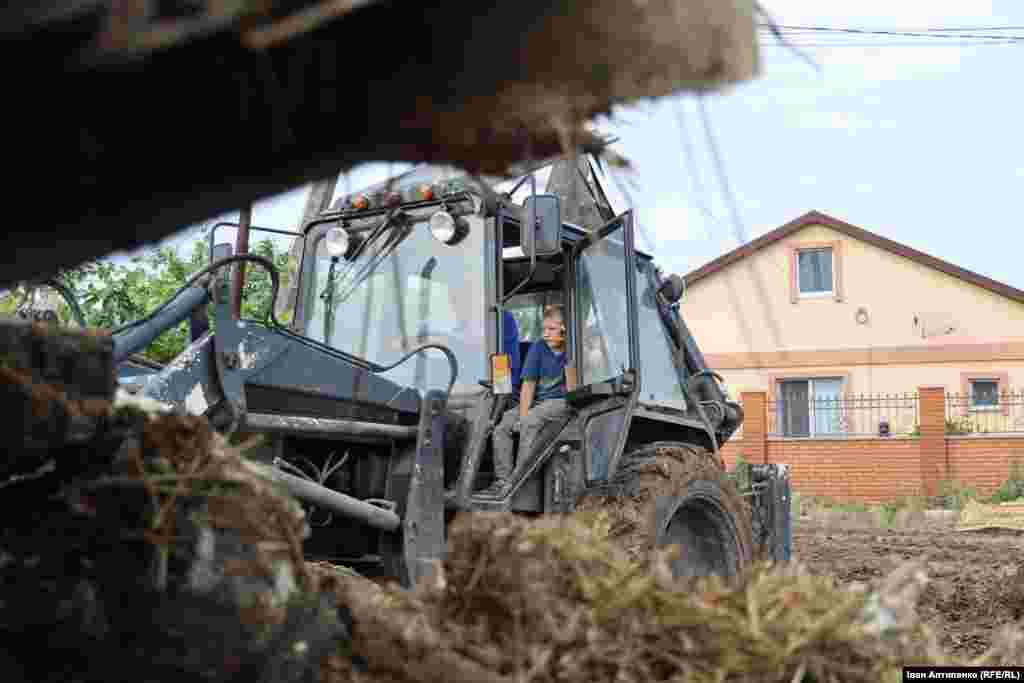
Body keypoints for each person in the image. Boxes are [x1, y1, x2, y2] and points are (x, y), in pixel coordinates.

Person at [483, 304, 577, 495]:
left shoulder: (574, 349)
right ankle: (503, 480)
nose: (546, 334)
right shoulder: (538, 348)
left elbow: (573, 389)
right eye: (544, 329)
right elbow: (528, 385)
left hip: (562, 402)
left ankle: (519, 481)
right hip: (538, 402)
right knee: (504, 425)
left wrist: (569, 349)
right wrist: (522, 415)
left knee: (531, 422)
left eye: (552, 329)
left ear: (565, 329)